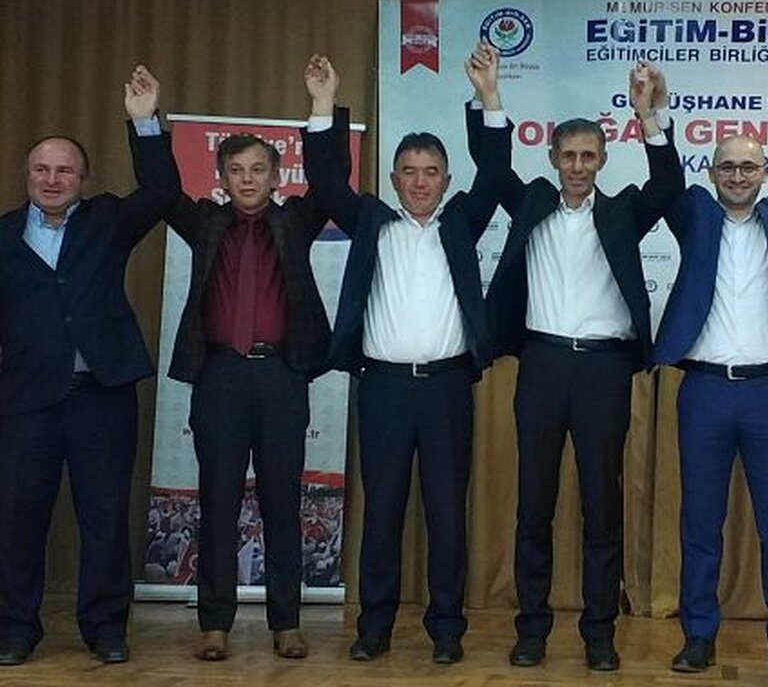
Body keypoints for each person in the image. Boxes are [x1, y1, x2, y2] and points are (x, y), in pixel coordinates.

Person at [301, 46, 508, 664]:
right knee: (383, 512)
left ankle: (447, 631)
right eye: (409, 172)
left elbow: (496, 174)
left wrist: (489, 96)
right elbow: (326, 183)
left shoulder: (461, 222)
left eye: (431, 172)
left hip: (447, 389)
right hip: (384, 390)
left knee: (447, 514)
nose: (420, 182)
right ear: (392, 179)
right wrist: (321, 103)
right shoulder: (371, 221)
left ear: (445, 180)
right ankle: (374, 628)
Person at [140, 60, 347, 662]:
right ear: (222, 176)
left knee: (283, 503)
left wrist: (322, 107)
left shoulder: (296, 220)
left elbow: (332, 181)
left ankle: (286, 622)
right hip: (220, 378)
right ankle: (215, 624)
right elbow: (160, 191)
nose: (248, 178)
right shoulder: (205, 223)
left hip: (282, 376)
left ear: (276, 176)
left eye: (259, 169)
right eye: (236, 170)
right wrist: (145, 122)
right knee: (217, 501)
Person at [480, 63, 685, 671]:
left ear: (602, 159)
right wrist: (490, 96)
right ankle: (531, 631)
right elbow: (493, 167)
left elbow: (668, 184)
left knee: (602, 508)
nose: (576, 166)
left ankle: (599, 635)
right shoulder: (532, 204)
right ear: (552, 158)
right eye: (567, 155)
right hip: (542, 365)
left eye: (587, 156)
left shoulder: (622, 212)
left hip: (603, 370)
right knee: (533, 507)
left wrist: (649, 116)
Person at [652, 70, 768, 681]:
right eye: (726, 166)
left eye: (747, 167)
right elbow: (665, 180)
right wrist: (654, 121)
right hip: (703, 390)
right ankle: (699, 636)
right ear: (711, 173)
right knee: (700, 523)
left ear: (765, 172)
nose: (736, 176)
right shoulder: (694, 218)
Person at [0, 66, 180, 665]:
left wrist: (144, 122)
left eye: (63, 170)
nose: (51, 179)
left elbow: (161, 191)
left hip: (101, 393)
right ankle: (15, 628)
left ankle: (105, 627)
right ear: (27, 175)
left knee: (104, 514)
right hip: (26, 399)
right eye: (41, 170)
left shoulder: (107, 220)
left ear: (83, 178)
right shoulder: (2, 236)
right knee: (19, 517)